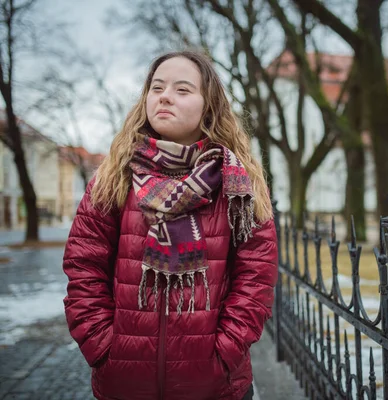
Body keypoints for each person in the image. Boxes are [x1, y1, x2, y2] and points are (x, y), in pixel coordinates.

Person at [62, 50, 278, 400]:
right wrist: (103, 348)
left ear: (209, 106)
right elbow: (83, 266)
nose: (164, 96)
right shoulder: (114, 177)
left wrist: (223, 354)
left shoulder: (239, 184)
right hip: (124, 383)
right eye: (157, 87)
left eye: (182, 89)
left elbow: (256, 277)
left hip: (215, 386)